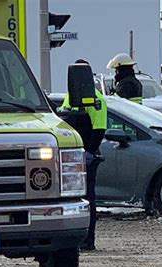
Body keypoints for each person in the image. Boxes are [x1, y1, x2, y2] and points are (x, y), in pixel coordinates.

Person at [60, 59, 107, 251]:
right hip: (71, 155)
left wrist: (89, 152)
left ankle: (88, 240)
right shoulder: (69, 96)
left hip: (87, 155)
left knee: (88, 198)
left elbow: (99, 128)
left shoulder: (95, 99)